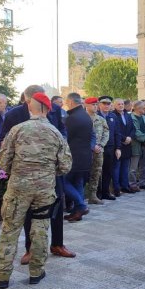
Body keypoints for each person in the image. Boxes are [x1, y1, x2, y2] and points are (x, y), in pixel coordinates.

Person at [0, 92, 72, 289]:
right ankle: (36, 272)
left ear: (30, 107)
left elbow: (3, 162)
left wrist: (18, 172)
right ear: (48, 109)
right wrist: (46, 171)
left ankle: (2, 277)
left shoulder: (18, 130)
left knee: (10, 229)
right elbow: (65, 165)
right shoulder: (55, 133)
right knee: (40, 229)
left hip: (19, 187)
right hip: (44, 189)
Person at [63, 93, 94, 222]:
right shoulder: (86, 116)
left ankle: (81, 206)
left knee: (62, 182)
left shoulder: (71, 118)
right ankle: (77, 213)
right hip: (85, 156)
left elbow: (66, 138)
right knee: (78, 183)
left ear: (70, 102)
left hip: (73, 157)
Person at [84, 97, 109, 204]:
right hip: (85, 151)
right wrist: (91, 146)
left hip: (98, 151)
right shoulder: (83, 118)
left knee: (96, 172)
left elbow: (106, 133)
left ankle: (93, 196)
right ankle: (80, 197)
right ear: (86, 105)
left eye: (96, 104)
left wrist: (101, 145)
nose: (95, 106)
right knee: (84, 173)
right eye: (93, 104)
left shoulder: (101, 119)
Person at [97, 96, 120, 201]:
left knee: (108, 170)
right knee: (97, 171)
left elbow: (117, 133)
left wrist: (118, 148)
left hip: (110, 147)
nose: (106, 105)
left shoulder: (113, 116)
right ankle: (97, 193)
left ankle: (105, 192)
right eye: (104, 103)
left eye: (108, 103)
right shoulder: (95, 116)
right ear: (99, 104)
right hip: (97, 148)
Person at [112, 98, 135, 195]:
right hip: (118, 145)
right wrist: (124, 139)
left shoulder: (127, 115)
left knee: (125, 167)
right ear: (114, 105)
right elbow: (114, 131)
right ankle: (116, 188)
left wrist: (130, 137)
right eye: (118, 104)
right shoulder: (112, 115)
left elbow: (133, 128)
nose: (121, 105)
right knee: (116, 167)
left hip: (128, 145)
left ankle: (125, 186)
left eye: (122, 104)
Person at [131, 101, 145, 191]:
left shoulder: (144, 117)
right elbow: (136, 132)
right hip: (135, 145)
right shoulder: (131, 118)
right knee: (133, 167)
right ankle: (132, 184)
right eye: (144, 108)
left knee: (144, 165)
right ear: (138, 109)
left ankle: (142, 183)